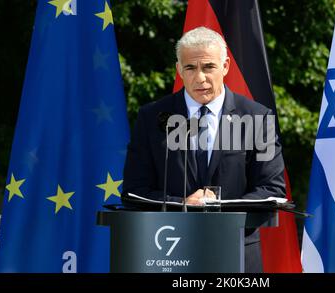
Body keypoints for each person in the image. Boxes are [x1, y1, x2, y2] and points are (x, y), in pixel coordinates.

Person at [122, 26, 286, 273]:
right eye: (190, 68)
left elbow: (271, 189)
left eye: (208, 67)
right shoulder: (152, 118)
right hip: (168, 256)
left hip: (237, 258)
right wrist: (184, 204)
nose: (200, 78)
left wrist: (217, 204)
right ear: (179, 69)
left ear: (226, 67)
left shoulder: (257, 118)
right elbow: (134, 192)